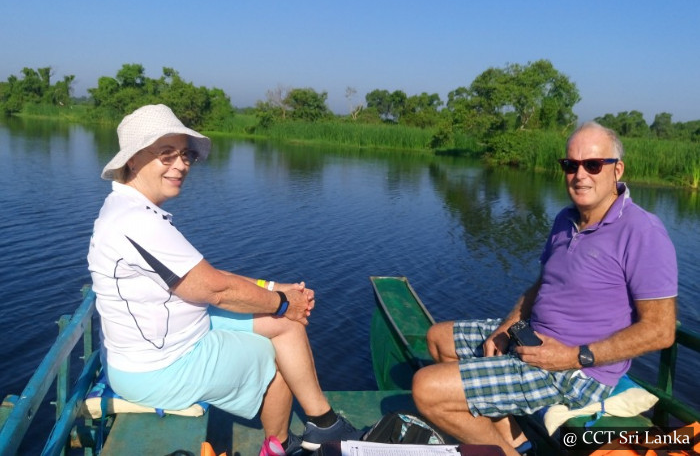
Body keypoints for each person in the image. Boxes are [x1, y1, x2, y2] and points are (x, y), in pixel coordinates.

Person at [87, 104, 363, 455]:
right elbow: (215, 290)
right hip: (159, 367)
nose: (181, 165)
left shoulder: (134, 211)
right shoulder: (136, 222)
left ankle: (322, 424)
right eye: (166, 155)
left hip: (174, 337)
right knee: (277, 354)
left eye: (185, 155)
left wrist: (274, 289)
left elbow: (207, 277)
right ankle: (277, 448)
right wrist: (283, 303)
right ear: (133, 160)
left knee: (287, 328)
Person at [412, 122, 678, 456]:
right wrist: (509, 326)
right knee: (438, 338)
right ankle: (516, 439)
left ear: (616, 170)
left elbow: (660, 330)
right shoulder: (566, 219)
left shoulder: (642, 231)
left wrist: (572, 356)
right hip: (533, 336)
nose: (580, 175)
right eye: (570, 165)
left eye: (593, 165)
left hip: (578, 370)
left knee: (426, 389)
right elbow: (542, 285)